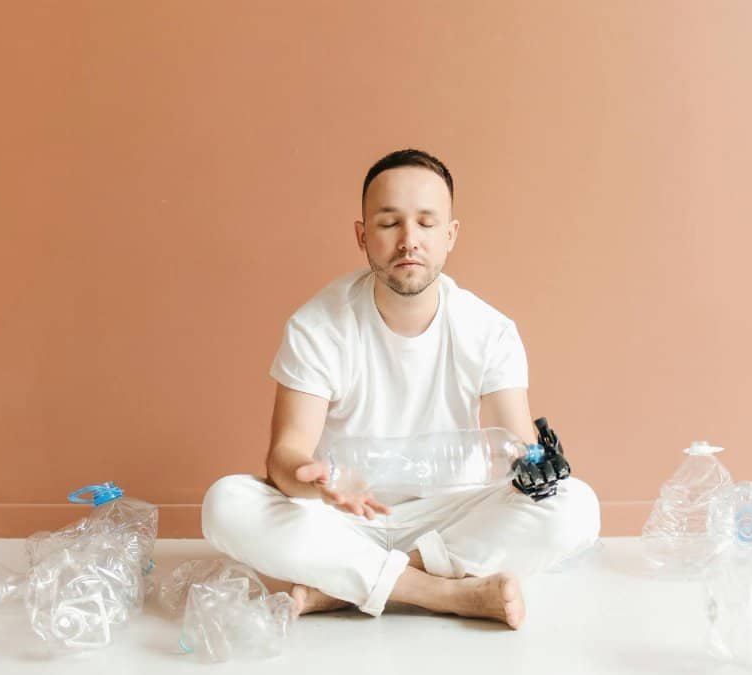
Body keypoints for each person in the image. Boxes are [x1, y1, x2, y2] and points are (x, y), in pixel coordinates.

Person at [202, 148, 600, 629]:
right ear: (362, 235)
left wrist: (537, 466)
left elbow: (513, 445)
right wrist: (310, 479)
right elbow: (284, 456)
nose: (408, 241)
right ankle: (444, 594)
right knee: (226, 503)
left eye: (427, 223)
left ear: (450, 235)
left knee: (576, 507)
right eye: (389, 223)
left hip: (451, 513)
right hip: (343, 514)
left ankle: (341, 588)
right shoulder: (318, 325)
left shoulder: (488, 329)